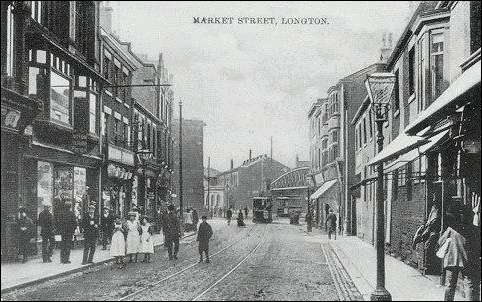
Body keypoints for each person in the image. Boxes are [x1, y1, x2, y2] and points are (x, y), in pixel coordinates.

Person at [437, 204, 481, 301]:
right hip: (468, 260)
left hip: (452, 260)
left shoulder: (451, 229)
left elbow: (440, 242)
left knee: (450, 285)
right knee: (469, 284)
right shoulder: (474, 229)